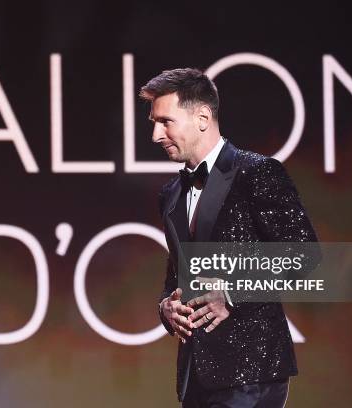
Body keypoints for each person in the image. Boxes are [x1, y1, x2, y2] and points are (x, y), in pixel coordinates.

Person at [140, 68, 318, 407]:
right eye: (154, 122)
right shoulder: (171, 194)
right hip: (195, 376)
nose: (155, 135)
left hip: (250, 374)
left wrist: (232, 293)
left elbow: (304, 257)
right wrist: (167, 308)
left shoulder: (257, 172)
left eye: (165, 122)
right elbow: (175, 278)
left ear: (203, 117)